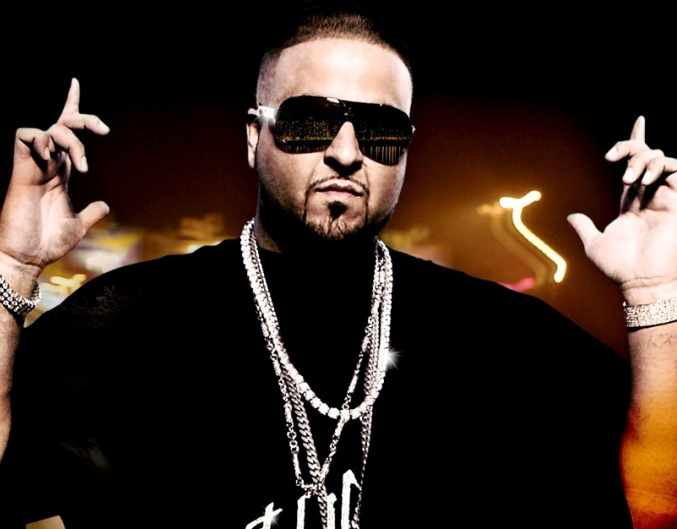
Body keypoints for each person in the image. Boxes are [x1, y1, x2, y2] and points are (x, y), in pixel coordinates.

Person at [0, 6, 676, 529]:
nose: (346, 152)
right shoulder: (130, 322)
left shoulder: (498, 335)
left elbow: (652, 499)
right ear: (254, 135)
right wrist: (12, 266)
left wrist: (656, 292)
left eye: (380, 130)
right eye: (308, 122)